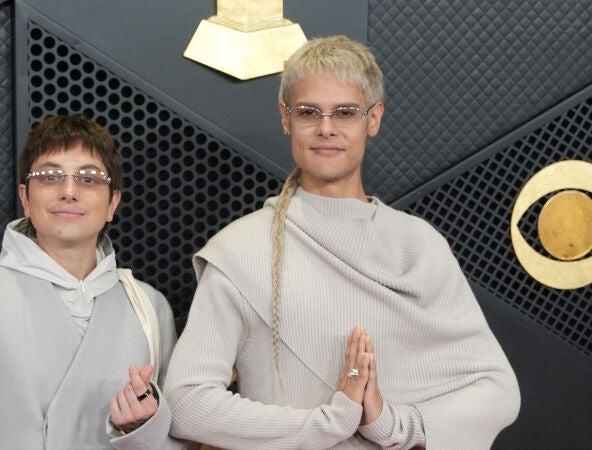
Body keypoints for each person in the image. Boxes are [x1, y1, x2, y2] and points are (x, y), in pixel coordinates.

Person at [164, 35, 520, 449]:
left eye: (345, 112)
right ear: (285, 119)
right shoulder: (241, 250)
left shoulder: (420, 245)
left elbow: (496, 390)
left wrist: (390, 424)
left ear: (374, 118)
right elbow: (185, 402)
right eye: (308, 112)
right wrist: (328, 423)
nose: (326, 128)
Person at [0, 114, 183, 449]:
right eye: (50, 177)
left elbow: (178, 440)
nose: (69, 191)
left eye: (89, 179)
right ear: (25, 197)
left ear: (112, 203)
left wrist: (141, 427)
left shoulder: (149, 307)